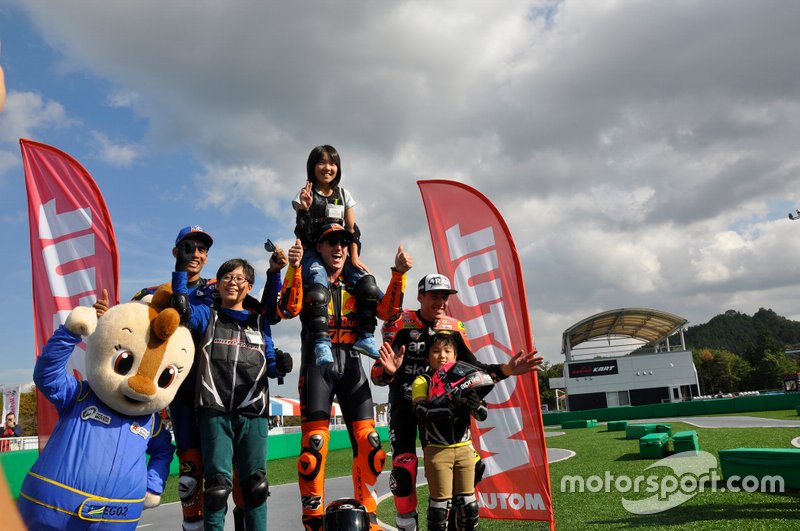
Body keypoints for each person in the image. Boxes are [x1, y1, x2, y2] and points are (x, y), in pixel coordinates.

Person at [128, 225, 287, 531]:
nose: (195, 254)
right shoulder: (153, 293)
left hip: (226, 389)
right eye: (188, 248)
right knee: (191, 475)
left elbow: (265, 313)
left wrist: (274, 273)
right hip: (185, 392)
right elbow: (134, 327)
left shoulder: (219, 286)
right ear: (176, 252)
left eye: (202, 249)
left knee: (242, 478)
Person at [371, 273, 544, 531]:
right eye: (434, 296)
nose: (440, 302)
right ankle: (408, 527)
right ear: (420, 297)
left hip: (447, 412)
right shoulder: (400, 324)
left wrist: (506, 369)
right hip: (406, 407)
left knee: (469, 469)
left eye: (445, 297)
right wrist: (389, 371)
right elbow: (377, 375)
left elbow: (475, 370)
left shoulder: (453, 328)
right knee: (403, 473)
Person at [277, 226, 412, 531]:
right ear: (320, 247)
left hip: (352, 368)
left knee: (373, 448)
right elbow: (286, 308)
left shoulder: (359, 284)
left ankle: (369, 514)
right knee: (313, 450)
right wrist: (294, 268)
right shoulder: (311, 282)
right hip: (317, 371)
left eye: (344, 243)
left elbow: (389, 312)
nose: (338, 248)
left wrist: (398, 274)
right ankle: (312, 520)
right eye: (332, 242)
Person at [172, 256, 293, 531]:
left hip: (255, 414)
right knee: (216, 487)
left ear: (249, 286)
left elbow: (271, 366)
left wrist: (282, 364)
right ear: (219, 283)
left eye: (239, 278)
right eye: (226, 277)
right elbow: (181, 310)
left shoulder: (261, 322)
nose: (232, 282)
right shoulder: (207, 315)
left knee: (256, 486)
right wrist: (180, 269)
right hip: (215, 412)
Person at [293, 145, 380, 365]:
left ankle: (366, 336)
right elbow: (301, 233)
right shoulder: (304, 194)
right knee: (318, 285)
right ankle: (322, 343)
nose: (327, 168)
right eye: (321, 162)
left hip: (341, 251)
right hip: (314, 252)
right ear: (313, 166)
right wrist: (304, 209)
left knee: (368, 284)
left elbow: (352, 229)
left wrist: (355, 257)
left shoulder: (344, 195)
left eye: (332, 163)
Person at [410, 332, 489, 531]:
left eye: (447, 351)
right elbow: (420, 412)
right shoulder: (422, 380)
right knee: (439, 507)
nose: (442, 356)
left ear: (455, 355)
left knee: (469, 506)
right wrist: (450, 407)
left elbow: (482, 415)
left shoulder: (466, 377)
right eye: (436, 351)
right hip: (437, 450)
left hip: (465, 449)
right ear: (427, 356)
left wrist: (476, 406)